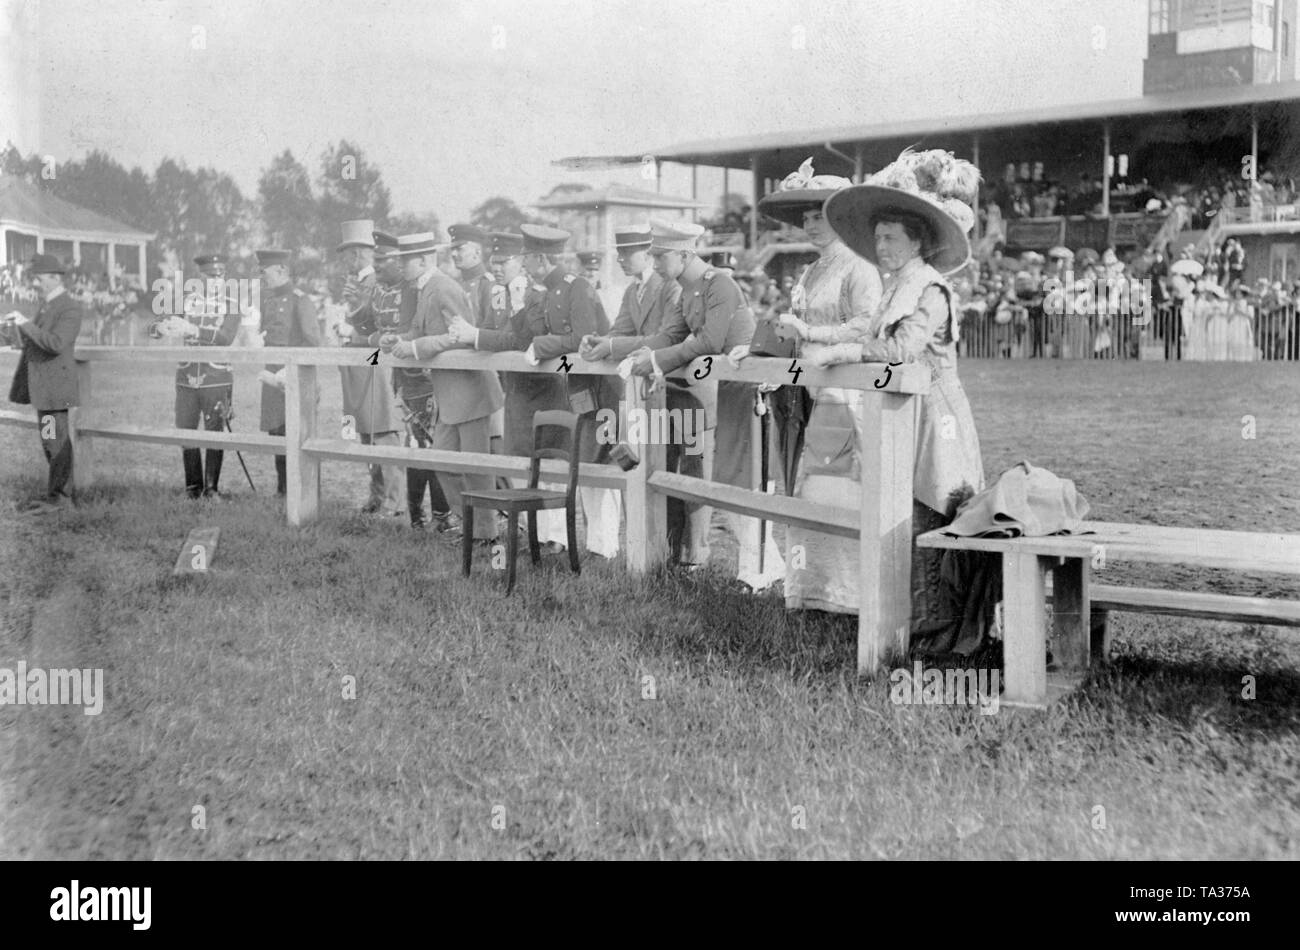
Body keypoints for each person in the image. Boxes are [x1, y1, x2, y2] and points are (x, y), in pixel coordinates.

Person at [797, 148, 986, 644]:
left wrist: (839, 347)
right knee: (897, 517)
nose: (881, 246)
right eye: (877, 237)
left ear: (916, 240)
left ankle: (939, 638)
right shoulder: (894, 284)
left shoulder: (930, 288)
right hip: (900, 410)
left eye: (891, 237)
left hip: (934, 418)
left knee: (930, 518)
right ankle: (908, 629)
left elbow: (901, 349)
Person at [743, 160, 882, 613]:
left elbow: (868, 329)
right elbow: (795, 333)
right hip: (808, 397)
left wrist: (814, 336)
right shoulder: (809, 271)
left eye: (819, 215)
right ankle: (813, 594)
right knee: (806, 490)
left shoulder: (861, 267)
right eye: (804, 218)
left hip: (848, 393)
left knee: (841, 490)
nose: (811, 225)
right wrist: (759, 350)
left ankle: (853, 601)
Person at [627, 218, 785, 590]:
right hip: (728, 391)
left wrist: (655, 362)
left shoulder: (720, 285)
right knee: (730, 483)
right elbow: (669, 336)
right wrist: (626, 350)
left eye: (660, 256)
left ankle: (757, 572)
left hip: (749, 389)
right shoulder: (687, 291)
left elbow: (710, 342)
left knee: (750, 481)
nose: (655, 263)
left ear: (683, 254)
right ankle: (769, 566)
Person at [452, 224, 621, 559]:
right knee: (572, 467)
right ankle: (562, 540)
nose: (517, 267)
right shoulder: (539, 292)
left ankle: (604, 547)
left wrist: (539, 344)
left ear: (537, 258)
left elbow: (581, 339)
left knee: (604, 469)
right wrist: (483, 333)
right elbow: (521, 334)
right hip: (573, 391)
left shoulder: (571, 287)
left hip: (600, 391)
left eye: (522, 259)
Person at [579, 226, 704, 563]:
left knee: (674, 475)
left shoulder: (670, 287)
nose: (620, 259)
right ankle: (649, 554)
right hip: (643, 396)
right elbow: (618, 333)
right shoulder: (633, 290)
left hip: (675, 393)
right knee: (638, 469)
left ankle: (681, 557)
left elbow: (663, 339)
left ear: (648, 254)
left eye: (627, 253)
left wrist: (611, 345)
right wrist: (597, 343)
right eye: (619, 253)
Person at [383, 232, 503, 547]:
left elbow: (458, 335)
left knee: (477, 469)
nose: (399, 265)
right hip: (451, 396)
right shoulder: (426, 289)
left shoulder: (443, 288)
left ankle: (486, 535)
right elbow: (419, 330)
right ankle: (470, 525)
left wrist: (414, 347)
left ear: (422, 261)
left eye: (404, 260)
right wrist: (397, 340)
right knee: (442, 462)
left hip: (471, 391)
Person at [336, 220, 404, 517]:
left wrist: (352, 330)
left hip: (376, 363)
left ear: (361, 254)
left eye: (351, 253)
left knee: (383, 429)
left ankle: (394, 500)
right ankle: (376, 495)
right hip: (356, 363)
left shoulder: (377, 282)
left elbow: (376, 324)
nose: (348, 260)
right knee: (364, 430)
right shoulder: (355, 283)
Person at [6, 254, 84, 513]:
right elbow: (37, 341)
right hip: (44, 388)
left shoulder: (69, 307)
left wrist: (25, 324)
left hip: (55, 388)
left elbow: (56, 343)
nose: (36, 283)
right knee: (50, 440)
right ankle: (56, 494)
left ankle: (62, 498)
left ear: (54, 278)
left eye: (38, 279)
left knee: (57, 442)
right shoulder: (48, 305)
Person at [168, 252, 241, 499]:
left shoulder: (232, 304)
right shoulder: (185, 301)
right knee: (186, 429)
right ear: (199, 278)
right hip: (187, 375)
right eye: (209, 277)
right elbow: (162, 323)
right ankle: (193, 487)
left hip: (215, 375)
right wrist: (161, 327)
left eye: (219, 276)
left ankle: (211, 488)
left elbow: (225, 338)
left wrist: (191, 328)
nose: (215, 281)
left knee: (213, 430)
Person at [254, 248, 322, 496]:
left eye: (265, 271)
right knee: (276, 432)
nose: (262, 276)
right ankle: (282, 489)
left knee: (298, 434)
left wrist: (287, 369)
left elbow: (313, 340)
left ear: (281, 270)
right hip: (271, 372)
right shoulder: (267, 299)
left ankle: (303, 491)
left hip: (293, 375)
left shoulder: (300, 299)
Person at [1168, 258, 1203, 361]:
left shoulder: (1190, 281)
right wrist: (1191, 286)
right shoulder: (1178, 280)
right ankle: (1180, 354)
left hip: (1192, 308)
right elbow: (1182, 294)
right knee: (1184, 331)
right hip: (1183, 309)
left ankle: (1191, 353)